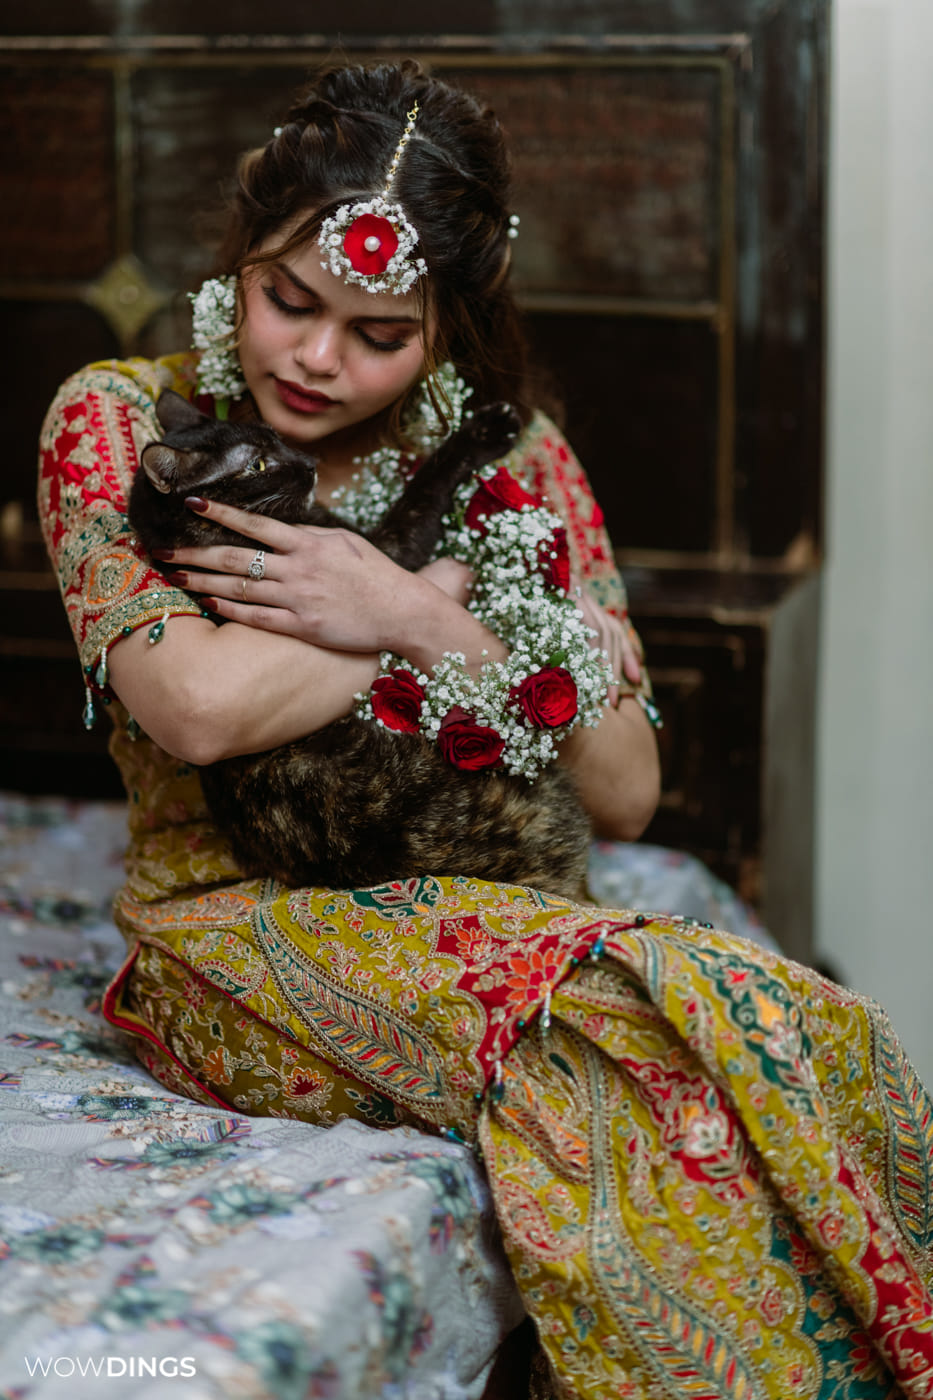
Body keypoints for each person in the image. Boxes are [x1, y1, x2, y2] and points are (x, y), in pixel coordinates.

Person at [38, 59, 933, 1399]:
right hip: (233, 930)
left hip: (504, 895)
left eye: (379, 331)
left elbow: (625, 789)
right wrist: (446, 618)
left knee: (799, 1023)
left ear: (450, 327)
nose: (318, 357)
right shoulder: (122, 422)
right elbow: (202, 708)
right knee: (668, 1037)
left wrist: (417, 613)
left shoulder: (516, 458)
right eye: (291, 301)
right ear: (239, 260)